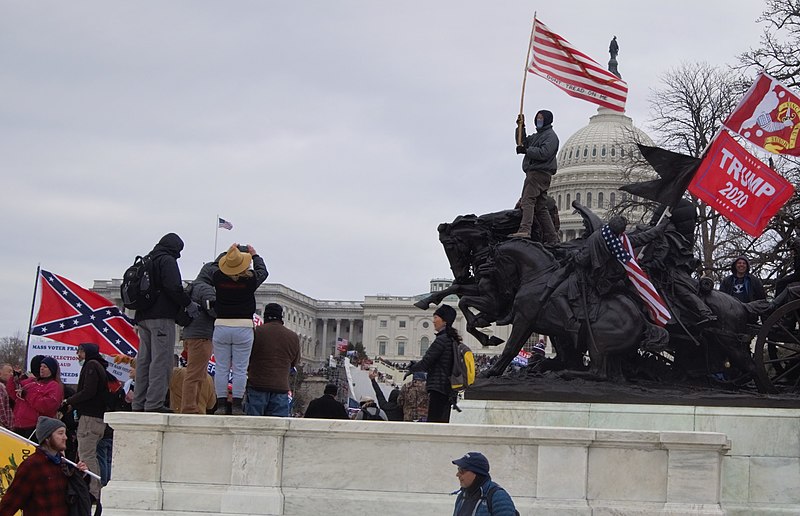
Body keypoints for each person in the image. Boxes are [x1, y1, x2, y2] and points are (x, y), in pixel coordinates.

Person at [133, 233, 195, 413]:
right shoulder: (167, 260)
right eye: (179, 250)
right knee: (162, 360)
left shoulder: (148, 259)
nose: (179, 255)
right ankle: (154, 404)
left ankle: (139, 403)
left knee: (144, 360)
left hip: (143, 317)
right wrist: (188, 303)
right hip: (161, 318)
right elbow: (173, 287)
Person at [212, 243, 268, 415]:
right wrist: (255, 255)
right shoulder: (250, 280)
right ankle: (236, 404)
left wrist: (229, 253)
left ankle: (221, 404)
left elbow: (213, 266)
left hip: (221, 325)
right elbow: (263, 272)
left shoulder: (218, 278)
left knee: (221, 368)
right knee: (240, 369)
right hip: (243, 327)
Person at [0, 416, 90, 516]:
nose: (65, 437)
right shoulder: (32, 465)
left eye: (64, 433)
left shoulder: (63, 463)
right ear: (47, 438)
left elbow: (75, 494)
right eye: (60, 433)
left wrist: (80, 473)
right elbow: (12, 501)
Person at [63, 343, 107, 503]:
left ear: (88, 352)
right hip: (96, 418)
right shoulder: (98, 365)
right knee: (91, 456)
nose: (78, 354)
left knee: (87, 456)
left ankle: (93, 492)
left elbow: (88, 391)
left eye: (80, 351)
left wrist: (69, 400)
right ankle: (93, 489)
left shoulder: (91, 365)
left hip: (90, 418)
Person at [180, 255, 221, 414]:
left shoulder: (193, 286)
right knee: (195, 374)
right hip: (201, 335)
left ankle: (193, 405)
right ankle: (190, 407)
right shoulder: (205, 288)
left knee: (196, 372)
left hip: (191, 333)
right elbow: (213, 309)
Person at [511, 110, 559, 243]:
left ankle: (525, 229)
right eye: (537, 118)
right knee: (540, 207)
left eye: (541, 118)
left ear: (548, 120)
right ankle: (552, 237)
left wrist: (527, 151)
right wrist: (521, 127)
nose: (539, 121)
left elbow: (544, 153)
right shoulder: (538, 135)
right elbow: (523, 142)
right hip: (538, 174)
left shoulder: (550, 136)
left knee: (527, 200)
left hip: (538, 173)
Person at [246, 303, 301, 417]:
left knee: (253, 428)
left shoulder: (255, 332)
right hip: (281, 387)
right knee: (278, 429)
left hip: (257, 385)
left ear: (265, 316)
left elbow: (246, 357)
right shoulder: (293, 337)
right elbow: (294, 363)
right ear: (281, 317)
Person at [407, 304, 458, 423]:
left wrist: (412, 368)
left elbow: (426, 362)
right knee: (442, 423)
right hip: (447, 388)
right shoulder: (451, 339)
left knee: (433, 423)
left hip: (438, 387)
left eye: (436, 317)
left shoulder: (442, 340)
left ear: (444, 320)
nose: (433, 321)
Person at [6, 356, 64, 440]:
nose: (42, 369)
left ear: (52, 369)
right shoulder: (31, 382)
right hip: (19, 424)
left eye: (45, 367)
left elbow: (47, 406)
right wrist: (14, 378)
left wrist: (28, 395)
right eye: (41, 366)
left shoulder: (54, 385)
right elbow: (13, 393)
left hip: (35, 426)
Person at [451, 451, 518, 516]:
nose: (457, 474)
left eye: (462, 471)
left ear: (477, 472)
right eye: (458, 469)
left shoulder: (498, 496)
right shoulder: (462, 496)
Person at [0, 364, 14, 429]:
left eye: (12, 372)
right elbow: (1, 409)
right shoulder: (1, 388)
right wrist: (5, 426)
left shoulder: (6, 387)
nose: (11, 374)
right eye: (9, 371)